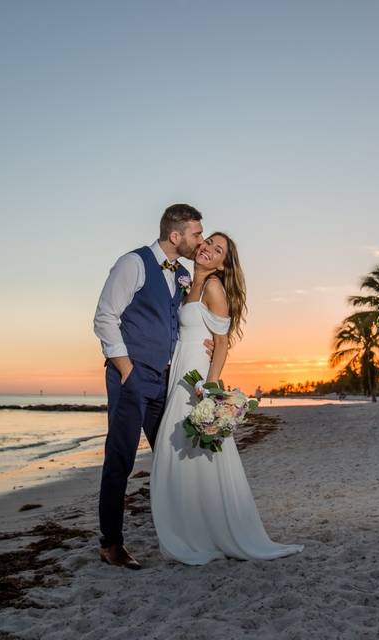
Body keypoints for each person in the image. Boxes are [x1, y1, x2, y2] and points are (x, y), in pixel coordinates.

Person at [149, 232, 304, 565]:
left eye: (218, 250)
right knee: (179, 454)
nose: (208, 249)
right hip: (180, 370)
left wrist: (210, 388)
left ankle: (205, 532)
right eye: (208, 243)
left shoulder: (214, 289)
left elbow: (222, 344)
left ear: (223, 263)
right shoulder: (188, 283)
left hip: (196, 381)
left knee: (193, 453)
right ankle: (192, 529)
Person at [92, 203, 209, 569]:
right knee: (121, 458)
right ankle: (111, 543)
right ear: (176, 236)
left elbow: (177, 322)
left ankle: (181, 531)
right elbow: (105, 317)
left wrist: (200, 341)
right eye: (196, 234)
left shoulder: (182, 274)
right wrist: (125, 367)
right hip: (132, 376)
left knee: (174, 455)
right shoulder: (134, 263)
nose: (200, 240)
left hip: (164, 380)